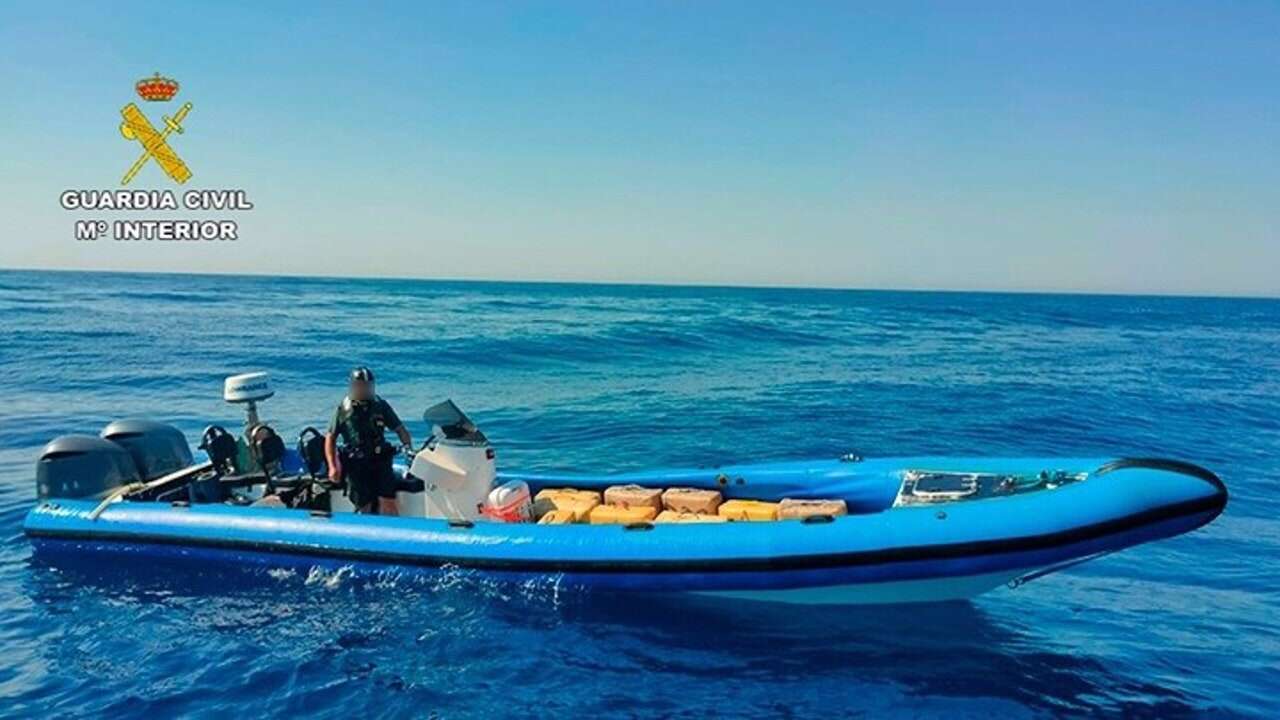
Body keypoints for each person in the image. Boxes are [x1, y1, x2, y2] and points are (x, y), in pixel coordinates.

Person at [324, 366, 413, 515]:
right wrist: (333, 466)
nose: (365, 390)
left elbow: (400, 429)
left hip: (380, 460)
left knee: (388, 501)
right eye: (361, 386)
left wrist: (408, 449)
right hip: (356, 463)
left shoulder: (380, 406)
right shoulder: (343, 410)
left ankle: (392, 532)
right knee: (364, 504)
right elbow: (330, 438)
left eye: (369, 386)